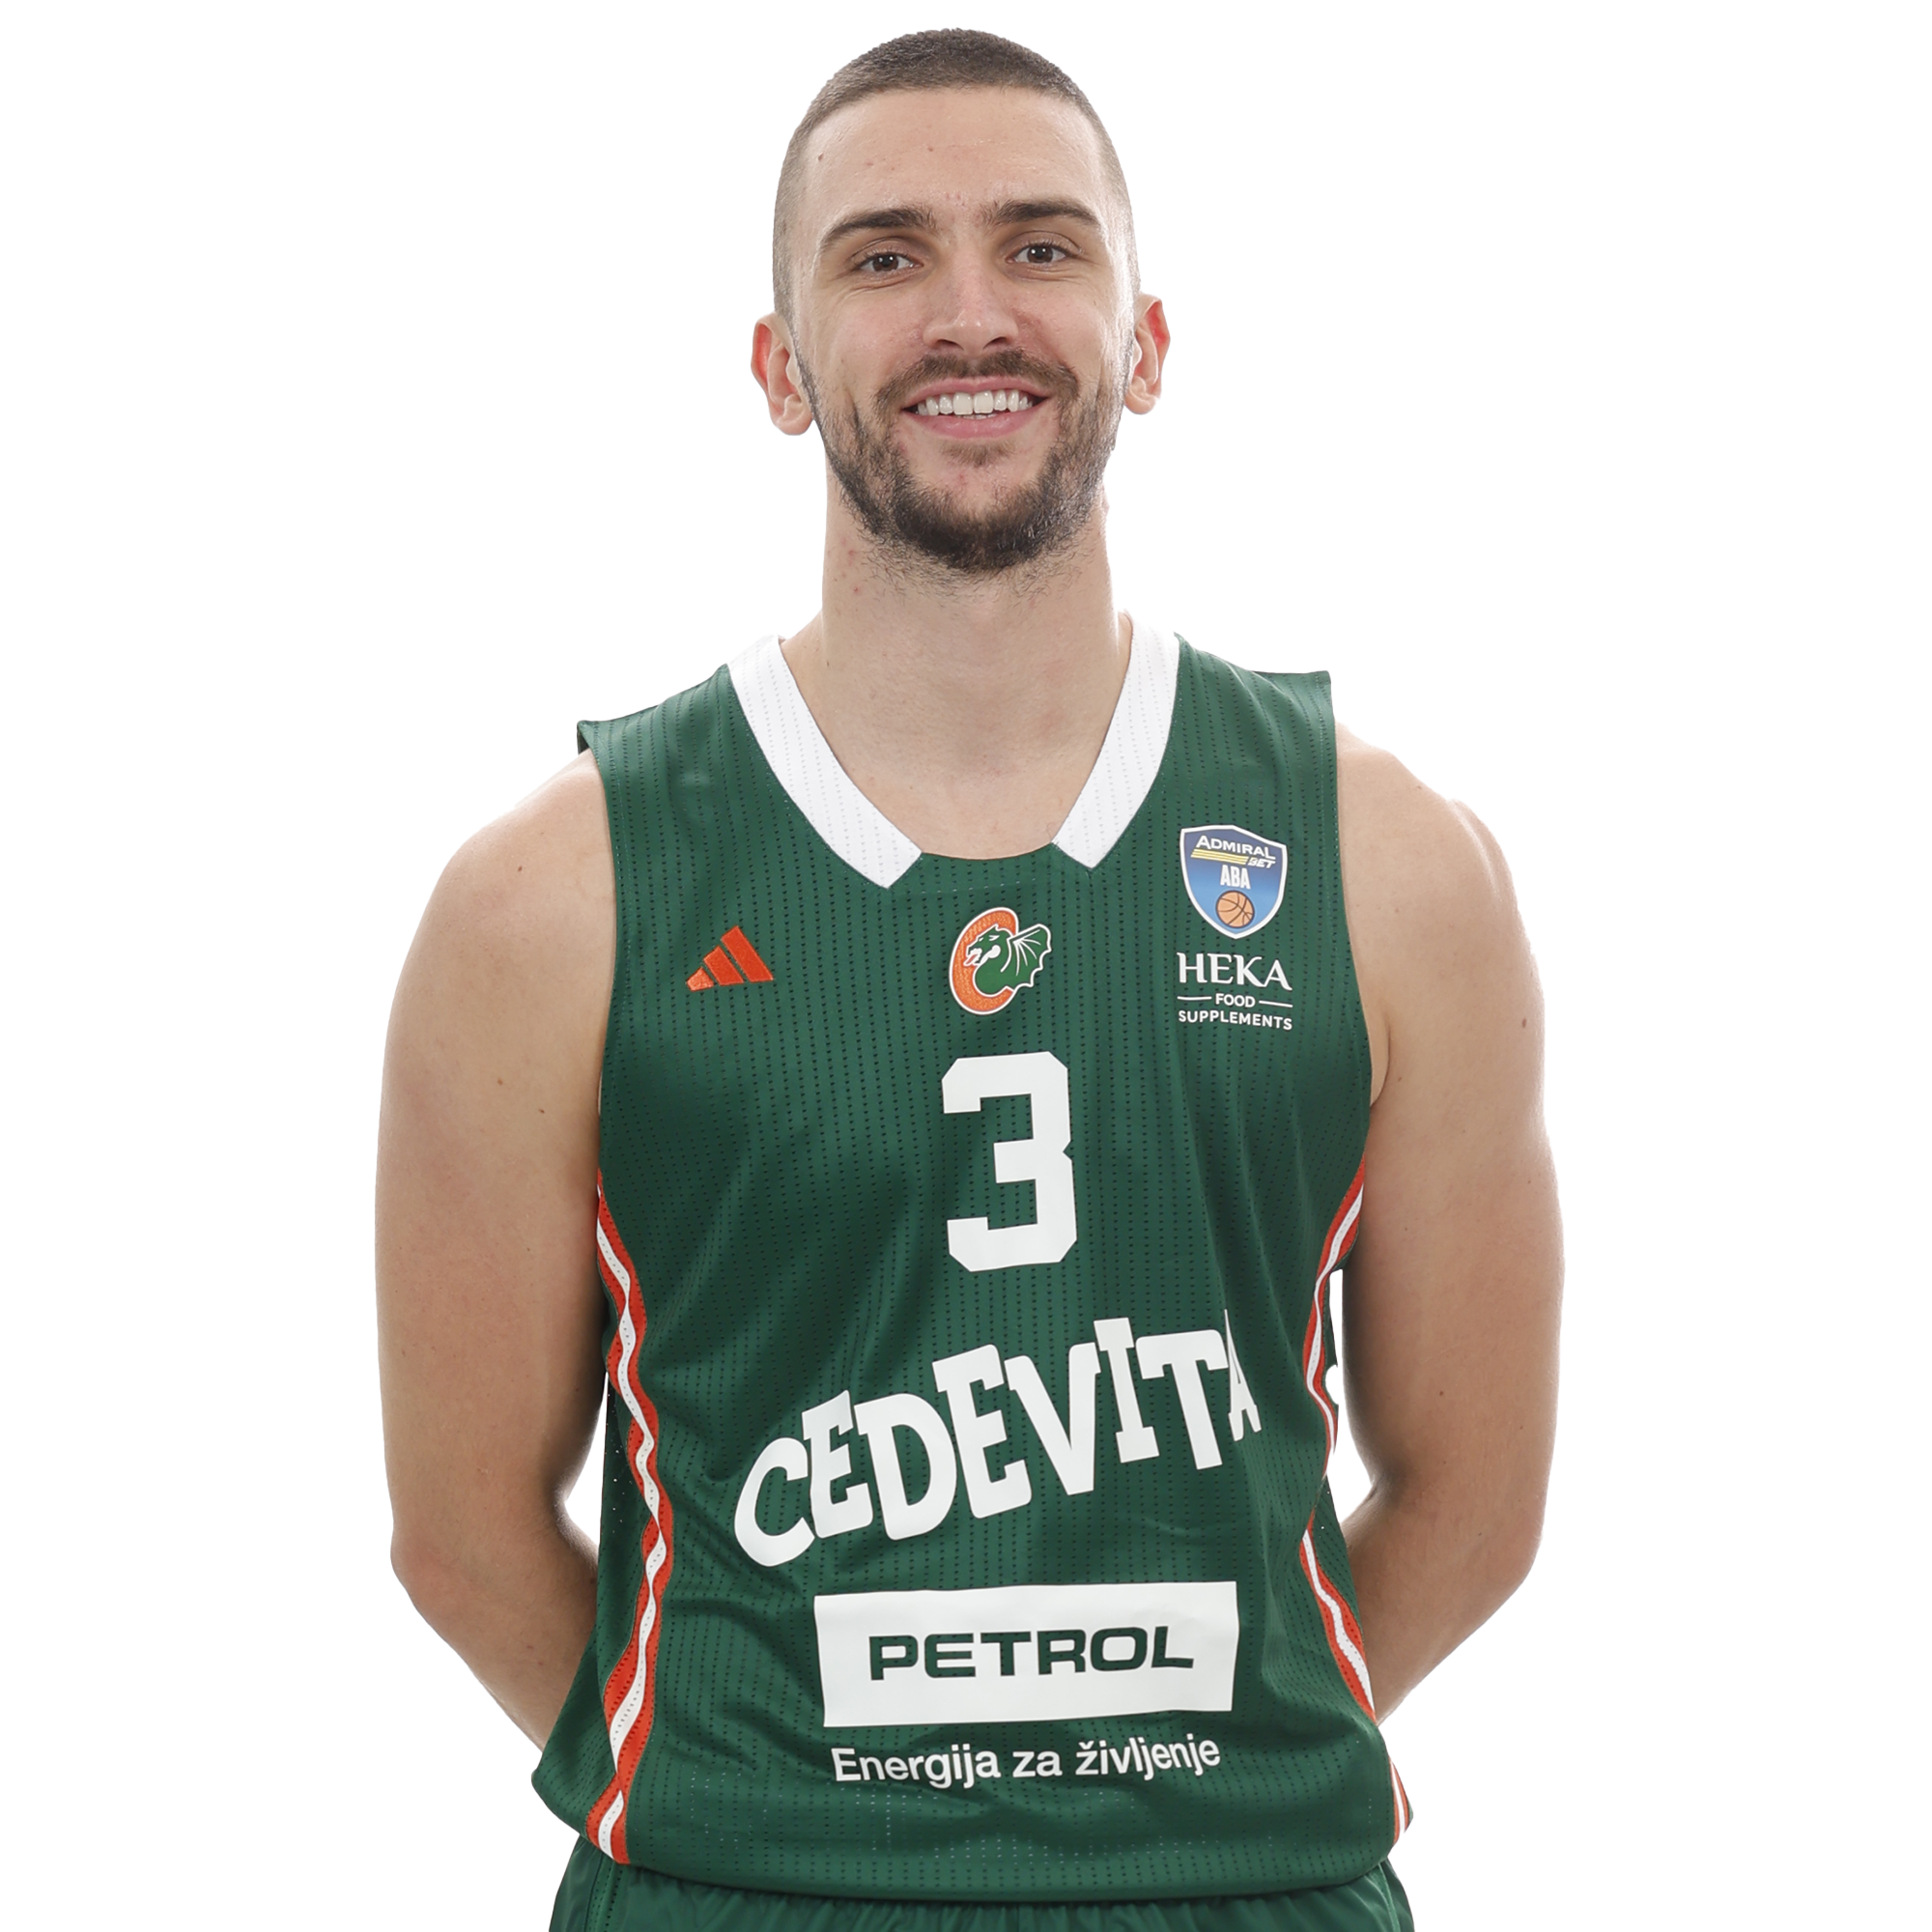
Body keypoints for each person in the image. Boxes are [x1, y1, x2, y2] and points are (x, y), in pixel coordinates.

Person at [375, 29, 1562, 1932]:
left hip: (1248, 1889)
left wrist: (1207, 1789)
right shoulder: (552, 897)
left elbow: (1476, 1497)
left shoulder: (1387, 863)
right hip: (736, 1892)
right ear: (778, 367)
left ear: (1147, 341)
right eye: (883, 256)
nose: (968, 313)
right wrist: (754, 1803)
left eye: (1039, 245)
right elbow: (459, 1534)